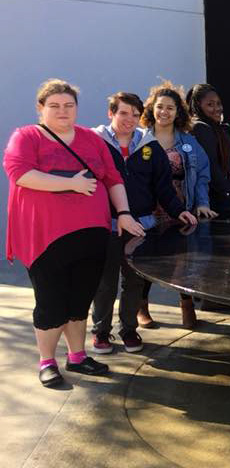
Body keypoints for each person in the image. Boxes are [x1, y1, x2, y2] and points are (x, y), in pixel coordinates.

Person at [3, 79, 145, 387]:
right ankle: (46, 361)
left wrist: (122, 212)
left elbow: (112, 177)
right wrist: (72, 184)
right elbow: (21, 174)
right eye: (54, 105)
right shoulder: (27, 136)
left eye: (69, 105)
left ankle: (78, 356)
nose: (63, 111)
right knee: (51, 301)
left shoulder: (91, 140)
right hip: (46, 237)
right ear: (41, 108)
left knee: (80, 301)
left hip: (91, 234)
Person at [90, 92, 197, 353]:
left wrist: (178, 210)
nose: (130, 119)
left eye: (135, 114)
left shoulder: (149, 146)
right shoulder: (96, 142)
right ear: (111, 114)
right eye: (123, 113)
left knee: (134, 282)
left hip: (141, 224)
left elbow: (163, 186)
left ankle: (128, 330)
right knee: (105, 282)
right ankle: (101, 332)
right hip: (107, 225)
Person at [140, 81, 216, 329]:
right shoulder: (140, 139)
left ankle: (187, 306)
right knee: (147, 257)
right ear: (151, 109)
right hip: (148, 209)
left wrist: (202, 203)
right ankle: (142, 307)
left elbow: (203, 173)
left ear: (178, 112)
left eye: (170, 108)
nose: (164, 112)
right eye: (159, 107)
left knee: (184, 258)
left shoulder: (188, 141)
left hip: (181, 207)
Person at [186, 83, 230, 211]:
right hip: (214, 201)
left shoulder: (217, 127)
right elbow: (211, 167)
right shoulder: (200, 128)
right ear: (198, 105)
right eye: (210, 104)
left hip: (226, 196)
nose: (217, 108)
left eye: (218, 103)